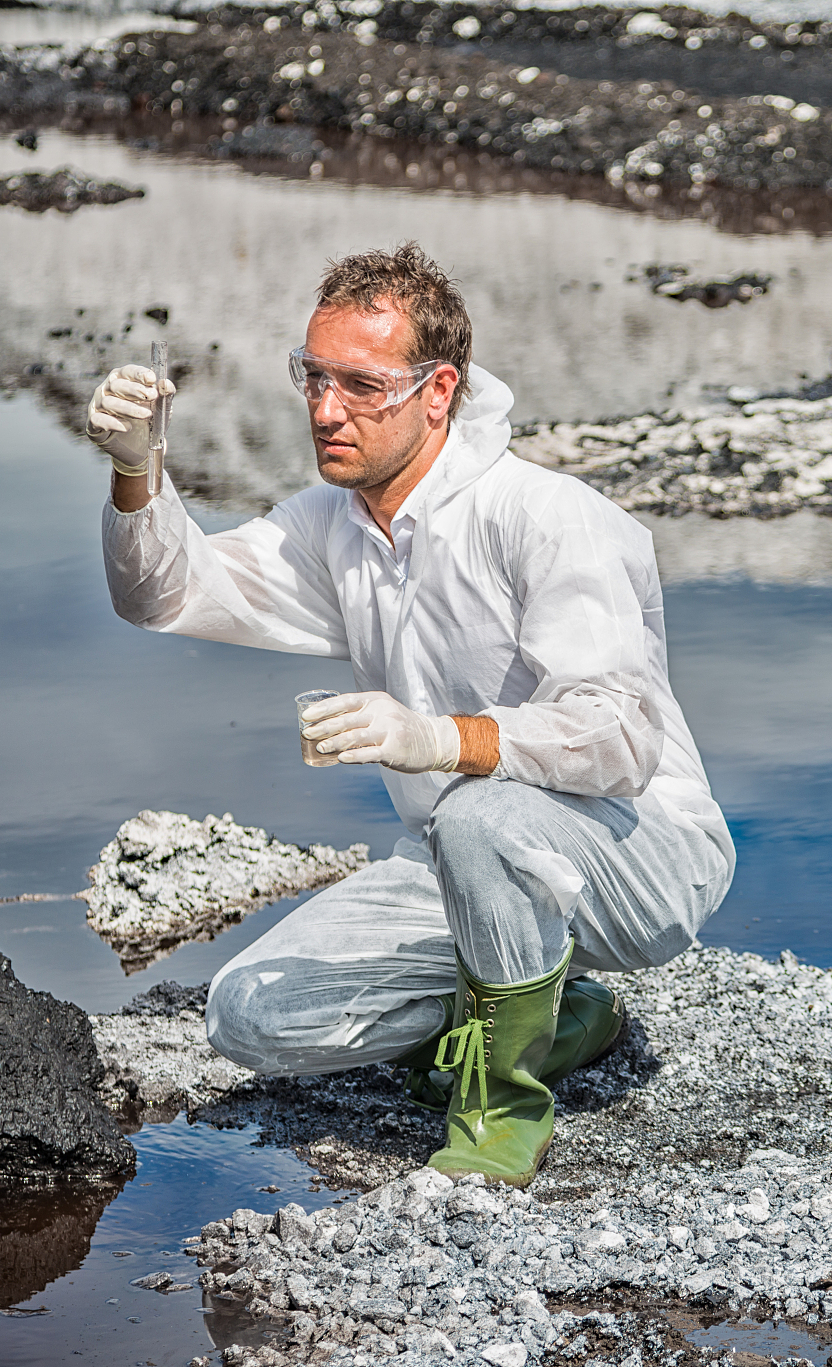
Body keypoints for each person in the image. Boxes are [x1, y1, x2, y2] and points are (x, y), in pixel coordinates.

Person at [90, 244, 733, 1187]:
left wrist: (440, 738)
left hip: (644, 854)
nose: (323, 408)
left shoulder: (549, 516)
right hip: (458, 861)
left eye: (361, 383)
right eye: (313, 375)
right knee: (250, 1014)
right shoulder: (333, 525)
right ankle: (559, 1013)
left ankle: (501, 1106)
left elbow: (617, 736)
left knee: (475, 808)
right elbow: (169, 594)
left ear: (439, 391)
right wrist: (137, 470)